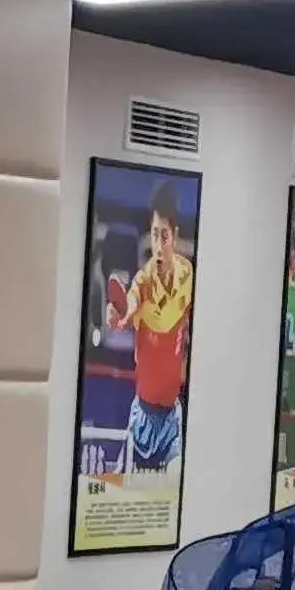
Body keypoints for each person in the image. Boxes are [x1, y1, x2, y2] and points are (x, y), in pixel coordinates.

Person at [105, 198, 193, 468]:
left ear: (174, 236)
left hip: (172, 418)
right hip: (143, 417)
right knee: (122, 487)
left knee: (177, 480)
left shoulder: (186, 274)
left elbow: (171, 320)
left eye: (164, 236)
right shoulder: (142, 281)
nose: (158, 244)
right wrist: (119, 316)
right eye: (154, 235)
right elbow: (130, 304)